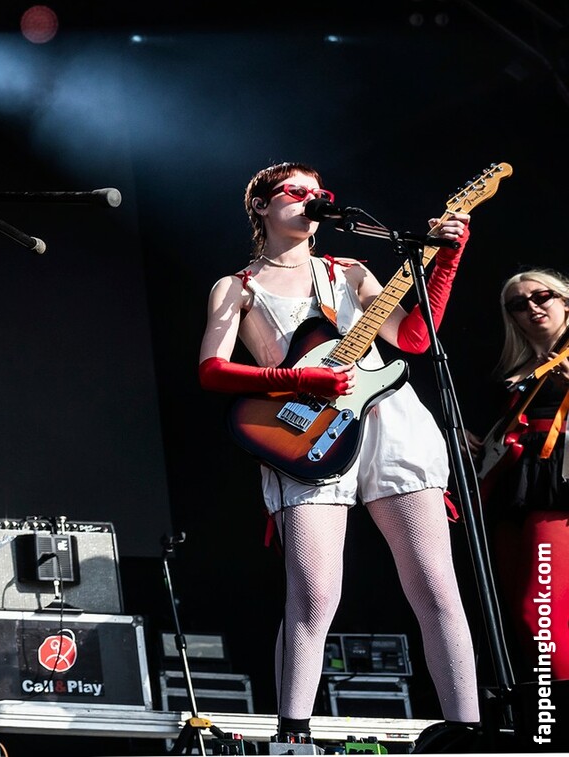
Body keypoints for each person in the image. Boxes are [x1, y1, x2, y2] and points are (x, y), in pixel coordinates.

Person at [197, 162, 477, 742]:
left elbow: (412, 338)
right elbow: (212, 370)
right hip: (304, 430)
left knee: (435, 586)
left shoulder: (348, 271)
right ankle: (293, 735)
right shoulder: (237, 287)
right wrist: (298, 379)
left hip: (391, 424)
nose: (311, 199)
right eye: (295, 191)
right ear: (260, 206)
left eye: (318, 192)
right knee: (315, 594)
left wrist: (446, 260)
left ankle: (465, 731)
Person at [478, 270, 569, 667]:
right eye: (518, 304)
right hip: (513, 485)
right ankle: (540, 702)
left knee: (540, 613)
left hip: (555, 483)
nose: (532, 307)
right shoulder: (513, 371)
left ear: (564, 301)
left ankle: (553, 704)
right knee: (518, 616)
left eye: (541, 296)